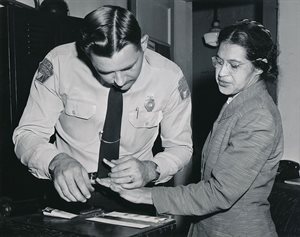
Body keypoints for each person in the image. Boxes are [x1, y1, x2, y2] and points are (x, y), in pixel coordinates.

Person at [99, 19, 284, 237]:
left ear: (259, 68)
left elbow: (219, 193)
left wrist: (144, 195)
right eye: (219, 61)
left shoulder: (258, 116)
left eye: (234, 65)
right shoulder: (238, 102)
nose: (222, 73)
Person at [13, 5, 192, 210]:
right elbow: (27, 134)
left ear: (143, 44)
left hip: (137, 198)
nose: (119, 80)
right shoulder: (59, 64)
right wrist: (55, 161)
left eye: (129, 67)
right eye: (105, 71)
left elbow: (181, 147)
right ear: (85, 53)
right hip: (69, 197)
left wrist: (150, 169)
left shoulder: (169, 77)